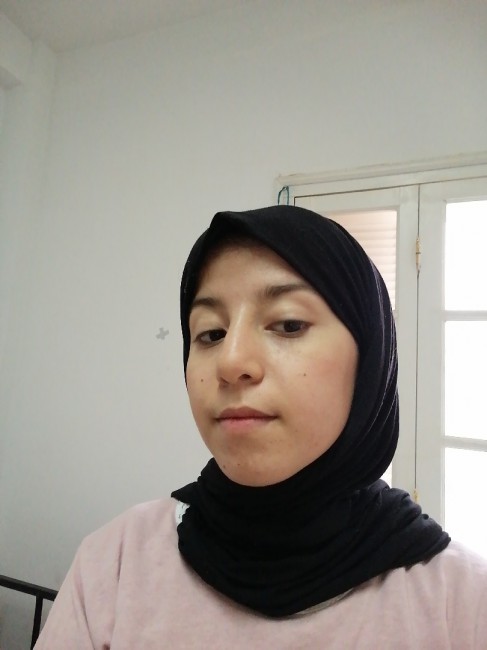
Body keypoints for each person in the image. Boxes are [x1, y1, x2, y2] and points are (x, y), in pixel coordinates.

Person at [35, 205, 487, 648]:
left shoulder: (461, 603)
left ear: (369, 358)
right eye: (211, 334)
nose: (230, 362)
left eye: (288, 324)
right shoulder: (113, 566)